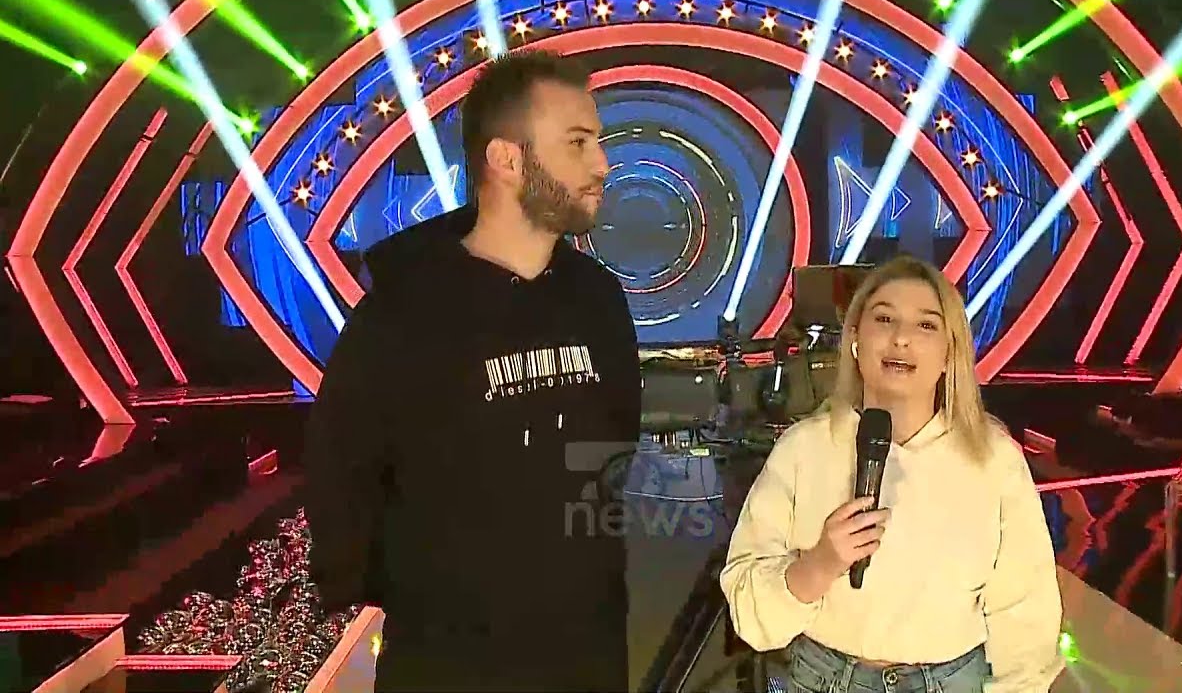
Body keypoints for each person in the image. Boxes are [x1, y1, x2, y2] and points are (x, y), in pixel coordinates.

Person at [302, 50, 641, 692]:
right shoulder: (404, 308)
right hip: (447, 665)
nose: (601, 164)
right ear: (507, 158)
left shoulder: (598, 297)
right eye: (577, 143)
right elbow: (341, 473)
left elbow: (617, 444)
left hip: (587, 656)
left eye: (596, 141)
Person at [720, 255, 1064, 693]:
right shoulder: (802, 449)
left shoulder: (995, 460)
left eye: (926, 325)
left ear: (949, 354)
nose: (901, 338)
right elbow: (749, 616)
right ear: (855, 341)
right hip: (821, 678)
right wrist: (819, 564)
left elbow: (1026, 610)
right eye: (884, 319)